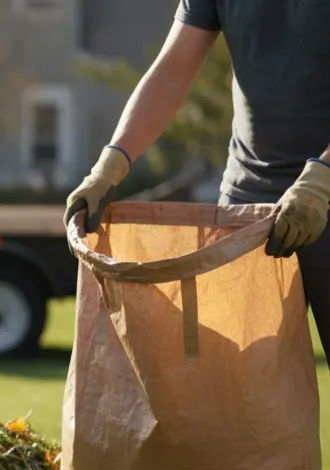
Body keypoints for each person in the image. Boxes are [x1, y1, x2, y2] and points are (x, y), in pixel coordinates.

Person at [64, 1, 330, 350]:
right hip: (249, 205)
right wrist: (109, 167)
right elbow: (173, 69)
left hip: (322, 189)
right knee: (238, 384)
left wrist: (321, 180)